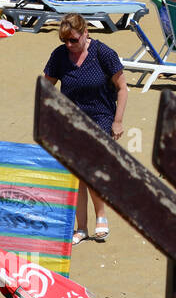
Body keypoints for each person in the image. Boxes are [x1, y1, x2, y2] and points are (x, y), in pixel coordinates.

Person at [43, 14, 128, 243]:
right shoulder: (60, 56)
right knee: (76, 174)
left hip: (100, 116)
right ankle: (81, 228)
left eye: (73, 40)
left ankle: (101, 216)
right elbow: (46, 88)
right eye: (65, 41)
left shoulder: (103, 53)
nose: (69, 45)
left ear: (86, 33)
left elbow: (122, 88)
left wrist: (117, 121)